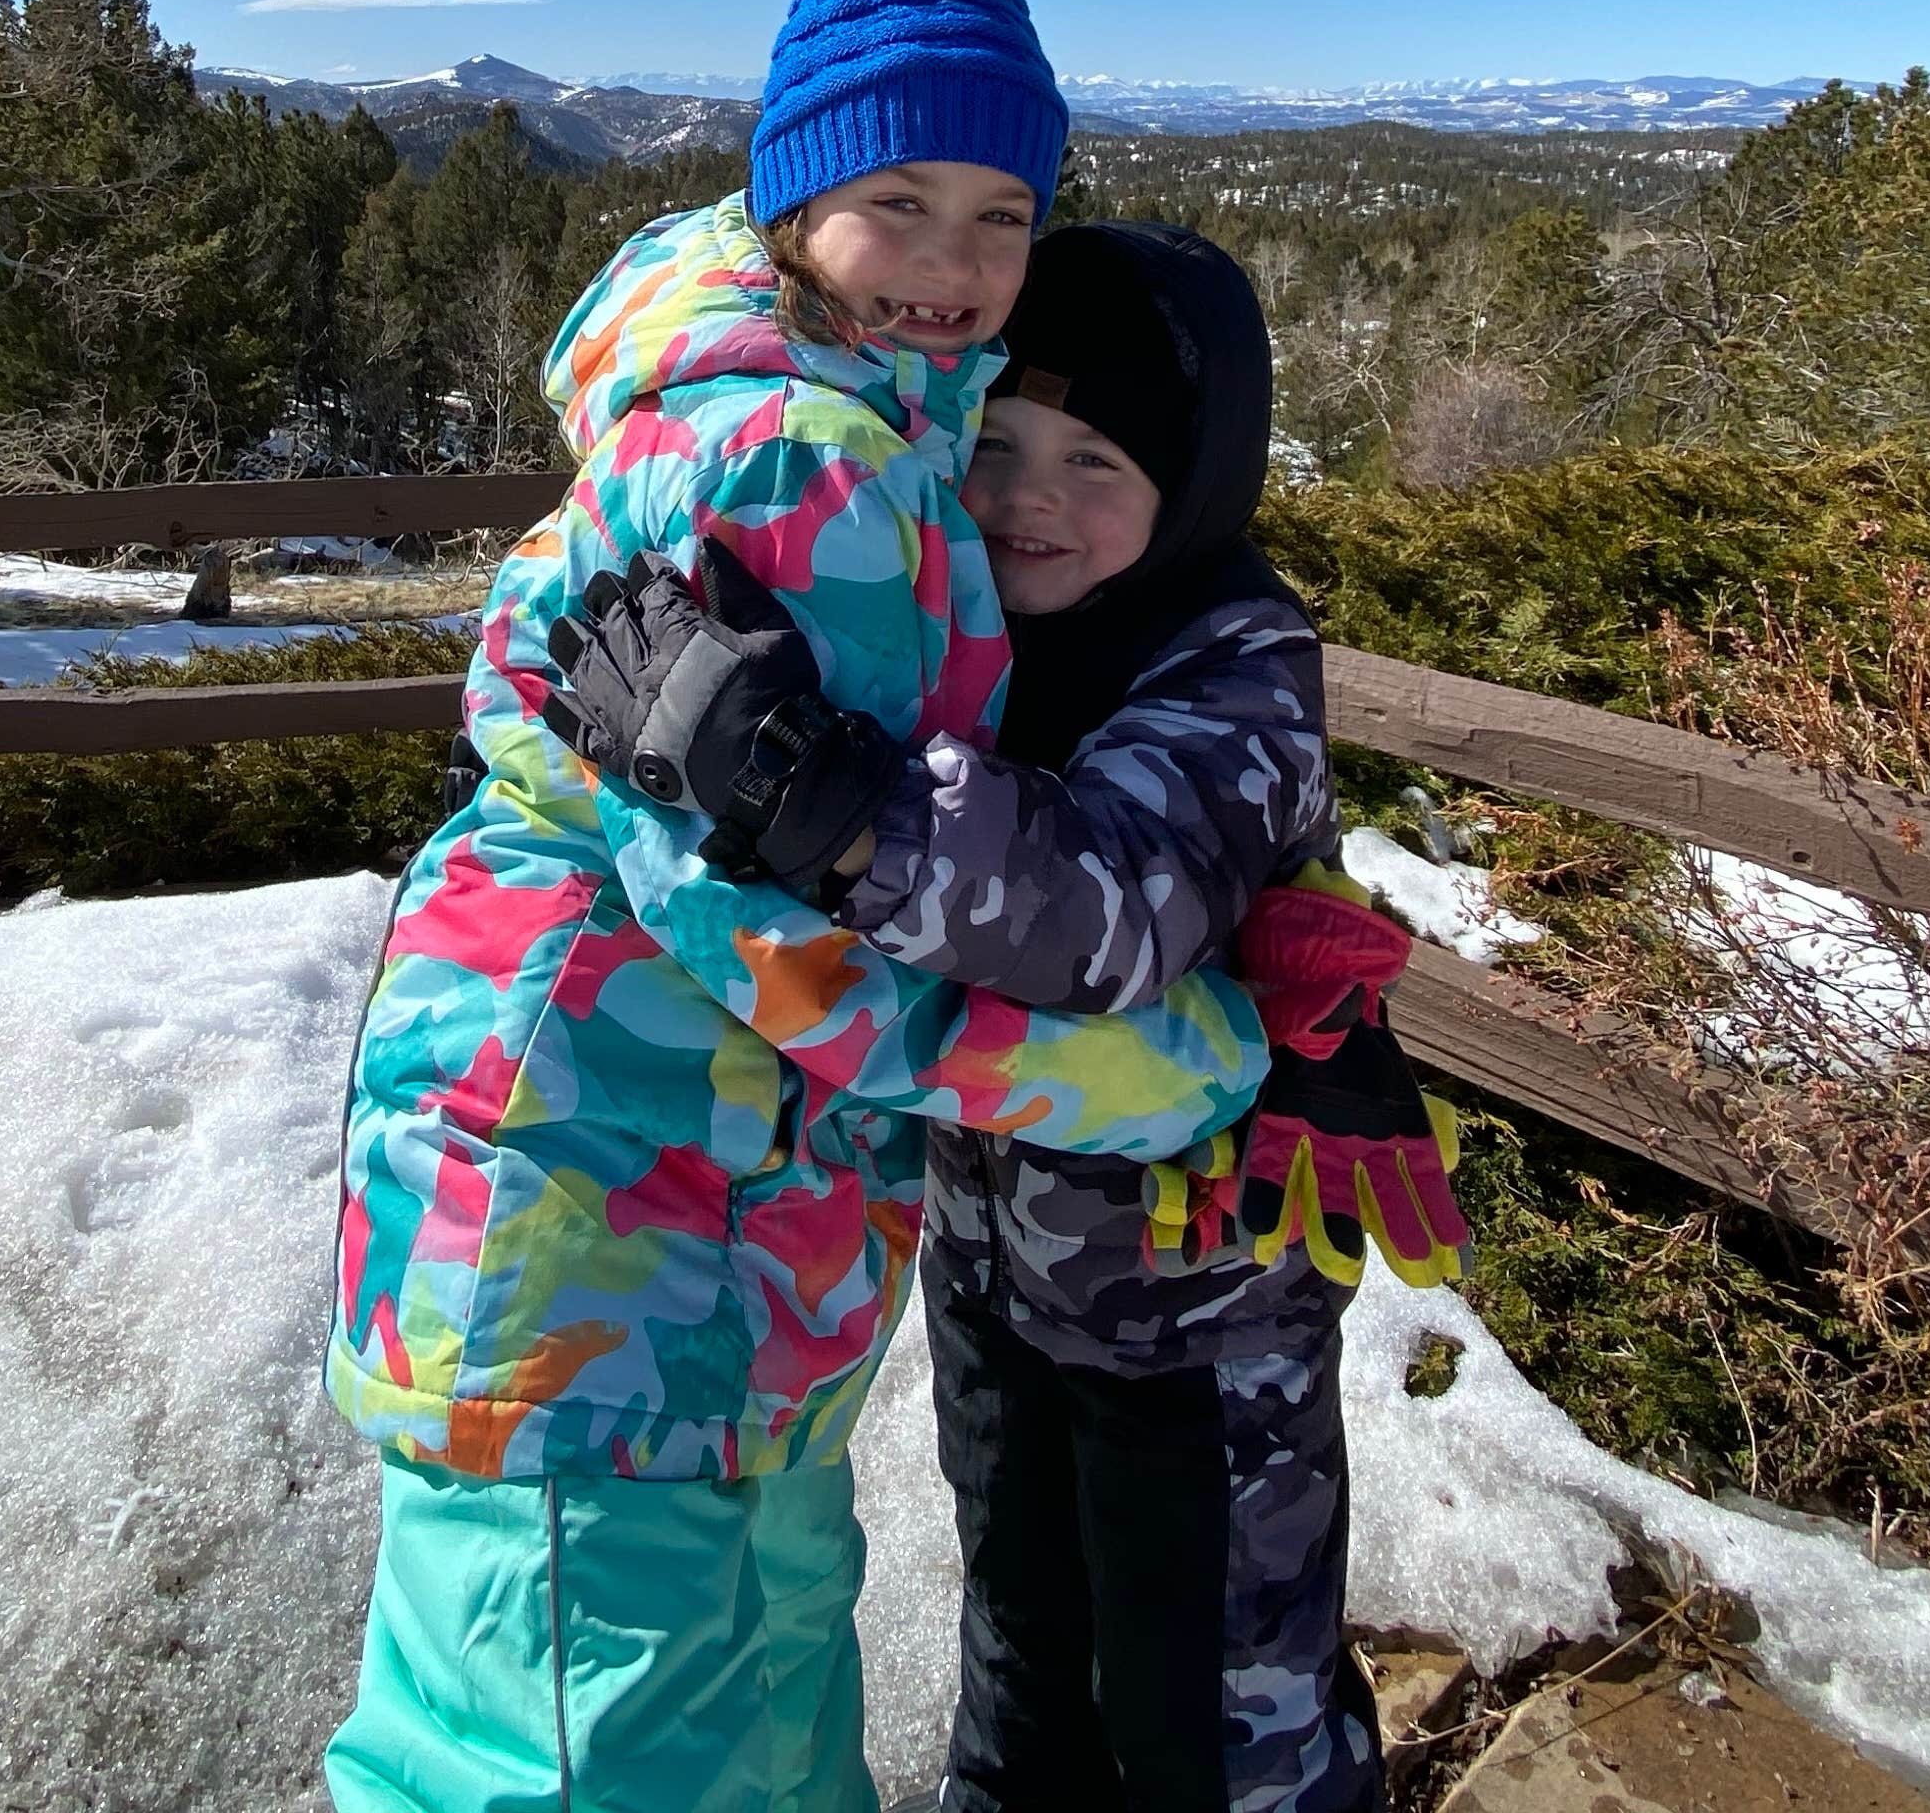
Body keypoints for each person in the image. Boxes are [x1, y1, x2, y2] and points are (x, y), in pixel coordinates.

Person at [323, 0, 1272, 1813]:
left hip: (696, 1250)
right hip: (606, 1245)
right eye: (898, 201)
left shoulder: (848, 433)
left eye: (1003, 214)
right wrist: (1177, 1069)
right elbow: (793, 942)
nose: (951, 267)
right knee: (578, 1764)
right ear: (794, 198)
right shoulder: (800, 464)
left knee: (745, 1735)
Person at [550, 221, 1466, 1813]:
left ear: (1197, 482)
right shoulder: (959, 627)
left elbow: (1100, 910)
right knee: (1026, 1669)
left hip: (1196, 1329)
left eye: (1097, 457)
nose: (1033, 493)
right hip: (988, 1275)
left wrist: (820, 798)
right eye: (1005, 440)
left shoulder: (1230, 662)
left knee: (1217, 1723)